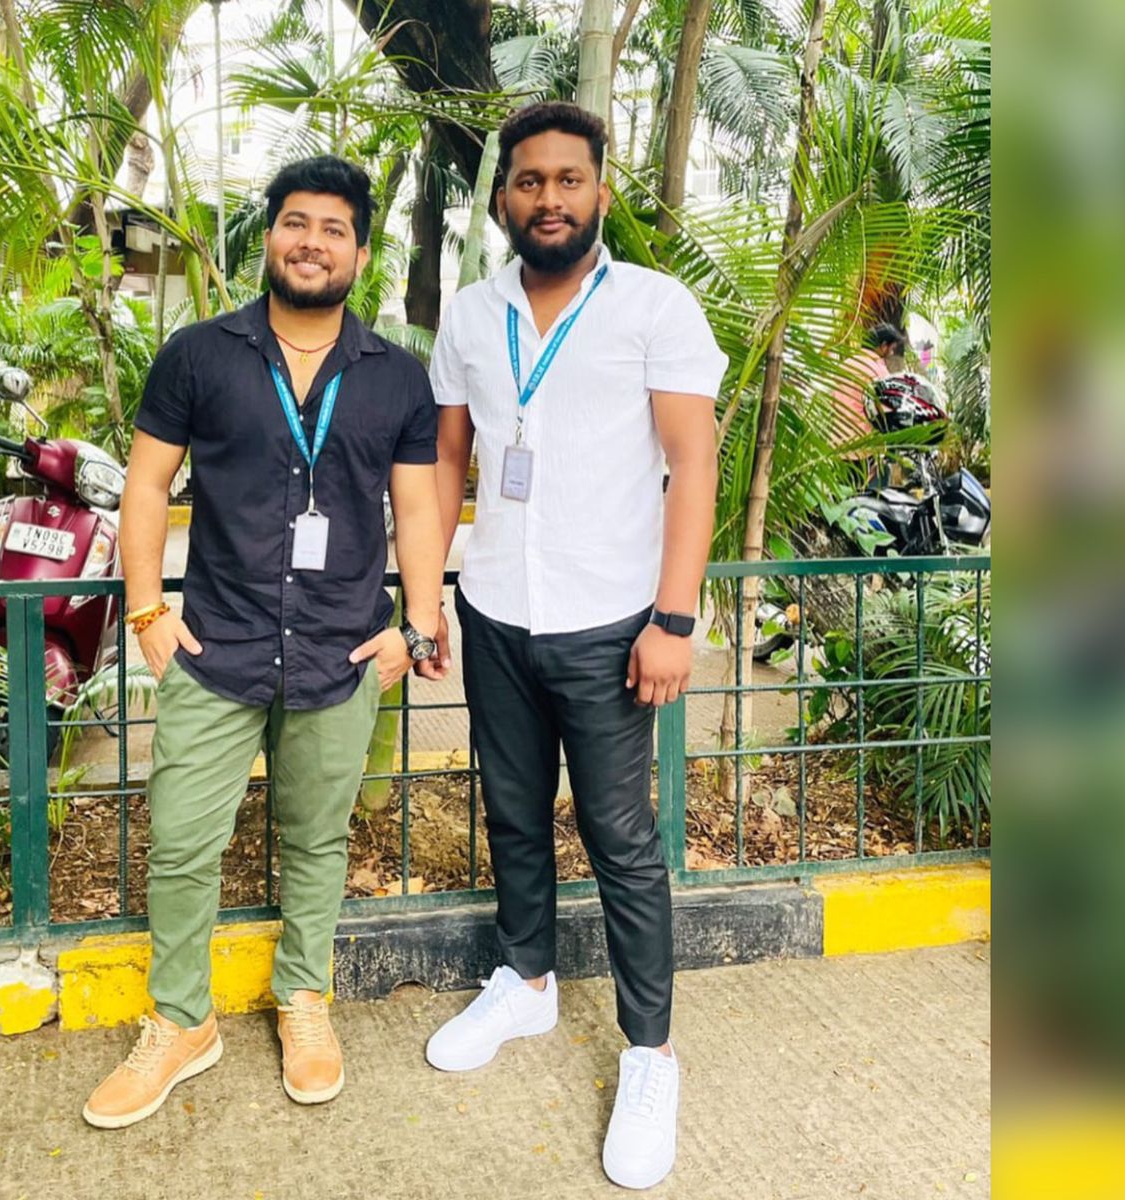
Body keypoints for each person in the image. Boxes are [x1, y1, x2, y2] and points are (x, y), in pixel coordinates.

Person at [82, 156, 447, 1129]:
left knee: (317, 839)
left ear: (359, 253)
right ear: (271, 235)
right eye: (296, 223)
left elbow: (417, 508)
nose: (311, 243)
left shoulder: (396, 377)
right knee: (182, 841)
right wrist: (148, 611)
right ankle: (180, 1021)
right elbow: (146, 485)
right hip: (216, 645)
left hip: (341, 650)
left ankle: (303, 998)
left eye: (333, 229)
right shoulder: (199, 356)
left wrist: (415, 626)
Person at [423, 101, 726, 1190]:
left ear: (600, 190)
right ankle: (527, 984)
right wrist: (429, 598)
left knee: (620, 839)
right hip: (498, 610)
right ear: (503, 197)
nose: (547, 198)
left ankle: (650, 1055)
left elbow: (692, 464)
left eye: (567, 179)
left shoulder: (653, 305)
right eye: (529, 180)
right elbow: (447, 462)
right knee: (510, 810)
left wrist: (673, 619)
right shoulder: (471, 315)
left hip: (611, 624)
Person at [831, 321, 908, 447]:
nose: (892, 353)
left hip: (838, 440)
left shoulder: (845, 365)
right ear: (883, 346)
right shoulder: (877, 370)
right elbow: (886, 410)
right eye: (892, 349)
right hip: (865, 443)